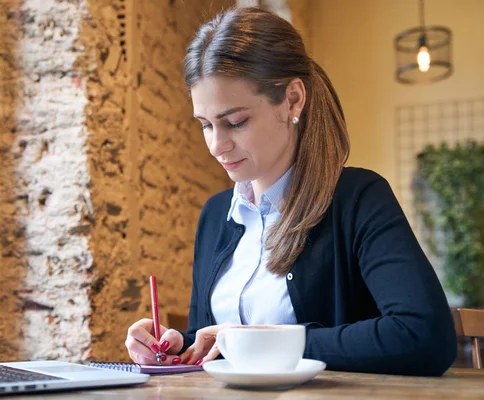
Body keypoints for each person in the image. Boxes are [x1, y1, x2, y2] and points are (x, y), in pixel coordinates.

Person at [124, 6, 457, 376]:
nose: (217, 145)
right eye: (205, 125)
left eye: (235, 122)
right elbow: (217, 343)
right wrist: (177, 346)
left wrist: (268, 342)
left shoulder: (358, 198)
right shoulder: (216, 215)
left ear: (293, 100)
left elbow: (424, 335)